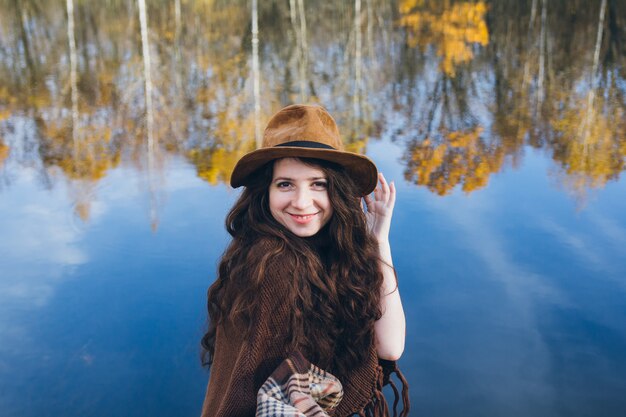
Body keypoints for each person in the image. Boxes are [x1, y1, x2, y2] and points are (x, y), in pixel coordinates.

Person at [200, 104, 409, 417]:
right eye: (285, 184)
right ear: (265, 192)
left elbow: (390, 347)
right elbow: (243, 391)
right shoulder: (272, 266)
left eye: (317, 184)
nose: (301, 202)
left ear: (336, 191)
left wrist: (379, 239)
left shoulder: (325, 254)